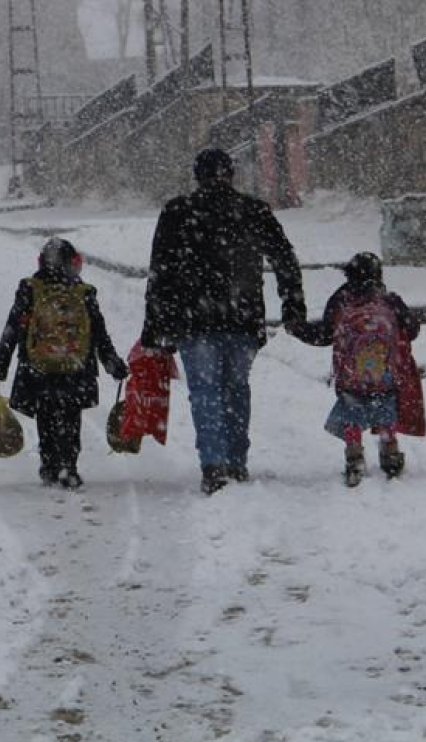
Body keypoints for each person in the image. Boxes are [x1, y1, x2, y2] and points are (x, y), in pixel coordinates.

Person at [140, 147, 307, 495]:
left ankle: (213, 464)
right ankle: (236, 460)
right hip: (243, 317)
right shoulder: (252, 211)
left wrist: (155, 329)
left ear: (196, 175)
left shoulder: (177, 212)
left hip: (194, 319)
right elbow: (285, 259)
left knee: (205, 393)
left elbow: (161, 273)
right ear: (231, 174)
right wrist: (293, 308)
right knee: (236, 389)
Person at [0, 238, 129, 489]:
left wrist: (1, 362)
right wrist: (112, 363)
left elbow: (12, 328)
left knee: (46, 415)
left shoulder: (30, 289)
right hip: (76, 368)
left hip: (38, 368)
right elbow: (99, 334)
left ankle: (49, 464)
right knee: (70, 416)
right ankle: (68, 464)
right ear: (72, 263)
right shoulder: (83, 293)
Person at [291, 252, 426, 487]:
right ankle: (390, 452)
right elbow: (412, 329)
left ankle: (354, 456)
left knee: (352, 413)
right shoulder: (389, 300)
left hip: (350, 377)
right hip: (385, 375)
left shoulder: (341, 300)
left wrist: (298, 329)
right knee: (385, 409)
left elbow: (324, 335)